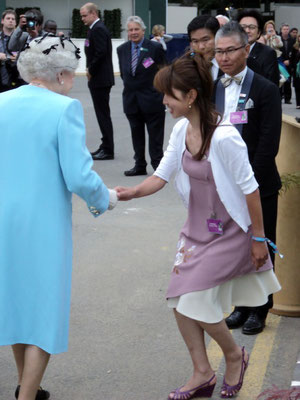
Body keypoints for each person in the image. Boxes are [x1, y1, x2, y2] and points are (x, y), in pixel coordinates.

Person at [115, 51, 280, 399]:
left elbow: (251, 189)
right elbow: (161, 175)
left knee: (193, 300)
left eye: (169, 95)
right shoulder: (181, 130)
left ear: (191, 96)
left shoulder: (224, 136)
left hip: (231, 232)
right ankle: (202, 372)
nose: (163, 102)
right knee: (179, 300)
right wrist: (131, 193)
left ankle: (233, 355)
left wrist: (259, 240)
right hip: (196, 231)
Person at [0, 35, 117, 400]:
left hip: (5, 219)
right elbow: (80, 175)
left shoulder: (2, 101)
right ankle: (26, 395)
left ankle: (26, 386)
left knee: (18, 304)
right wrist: (106, 199)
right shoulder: (62, 109)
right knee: (46, 310)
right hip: (42, 224)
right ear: (63, 74)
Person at [213, 21, 282, 335]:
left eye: (230, 50)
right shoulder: (214, 86)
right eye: (219, 52)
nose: (224, 58)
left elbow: (269, 142)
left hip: (258, 184)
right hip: (224, 186)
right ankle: (241, 306)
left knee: (261, 246)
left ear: (245, 49)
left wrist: (246, 182)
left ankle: (261, 308)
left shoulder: (265, 89)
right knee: (236, 248)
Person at [117, 15, 166, 176]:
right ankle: (139, 164)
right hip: (131, 100)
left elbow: (164, 72)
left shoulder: (155, 48)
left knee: (155, 137)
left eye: (136, 29)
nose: (133, 32)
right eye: (130, 30)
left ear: (143, 30)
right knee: (136, 134)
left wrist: (162, 94)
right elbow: (125, 75)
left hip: (152, 99)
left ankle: (159, 166)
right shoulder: (122, 49)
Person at [80, 2, 115, 160]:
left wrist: (90, 71)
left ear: (93, 13)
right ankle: (105, 145)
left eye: (84, 15)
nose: (82, 18)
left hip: (100, 78)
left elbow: (101, 53)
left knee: (103, 115)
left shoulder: (99, 28)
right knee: (101, 114)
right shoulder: (94, 28)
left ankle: (108, 149)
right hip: (98, 78)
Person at [237, 9, 279, 86]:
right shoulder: (230, 51)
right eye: (243, 27)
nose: (247, 30)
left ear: (259, 32)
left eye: (252, 27)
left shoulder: (268, 53)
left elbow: (272, 85)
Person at [187, 15, 222, 80]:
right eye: (195, 41)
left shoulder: (231, 64)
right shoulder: (186, 68)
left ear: (218, 37)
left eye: (205, 40)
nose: (201, 47)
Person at [0, 9, 18, 92]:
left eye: (13, 19)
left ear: (15, 23)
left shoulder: (22, 38)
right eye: (8, 18)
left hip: (16, 78)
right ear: (2, 21)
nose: (10, 20)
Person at [279, 23, 295, 103]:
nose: (286, 31)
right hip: (280, 63)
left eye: (287, 29)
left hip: (289, 63)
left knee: (288, 81)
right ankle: (279, 96)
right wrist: (282, 61)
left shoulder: (292, 40)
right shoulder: (278, 39)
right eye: (284, 29)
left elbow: (294, 52)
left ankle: (287, 98)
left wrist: (289, 61)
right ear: (281, 30)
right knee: (280, 80)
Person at [291, 34, 300, 108]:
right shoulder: (295, 46)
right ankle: (298, 103)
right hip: (296, 70)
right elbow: (292, 58)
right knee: (297, 87)